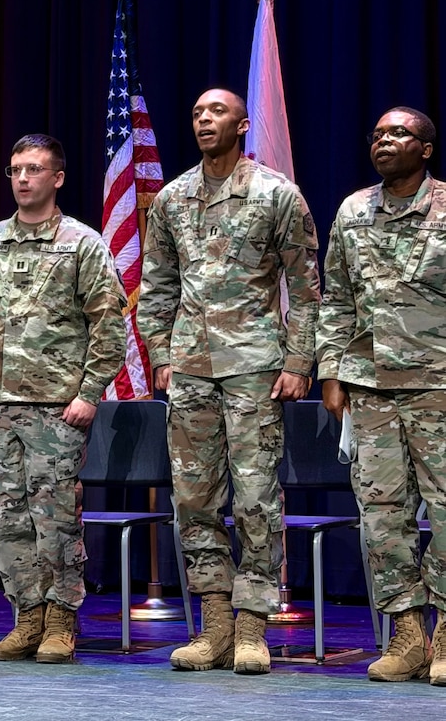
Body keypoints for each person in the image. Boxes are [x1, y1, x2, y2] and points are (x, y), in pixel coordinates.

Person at [137, 88, 320, 675]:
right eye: (195, 113)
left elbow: (307, 287)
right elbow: (158, 283)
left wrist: (298, 362)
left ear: (242, 125)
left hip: (254, 368)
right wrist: (161, 354)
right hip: (190, 368)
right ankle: (213, 625)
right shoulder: (172, 198)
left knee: (255, 499)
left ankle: (252, 627)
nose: (204, 120)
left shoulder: (275, 193)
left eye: (216, 112)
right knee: (193, 500)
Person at [0, 133, 127, 664]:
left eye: (33, 169)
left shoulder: (81, 244)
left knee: (54, 518)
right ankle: (26, 617)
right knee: (5, 519)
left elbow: (108, 326)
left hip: (56, 408)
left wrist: (90, 392)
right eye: (15, 170)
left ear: (57, 178)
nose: (22, 179)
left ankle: (60, 620)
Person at [317, 107, 446, 685]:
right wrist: (331, 372)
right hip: (370, 388)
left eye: (399, 134)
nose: (385, 141)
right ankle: (407, 635)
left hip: (438, 383)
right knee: (381, 518)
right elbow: (336, 297)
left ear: (426, 148)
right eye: (377, 135)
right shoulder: (352, 210)